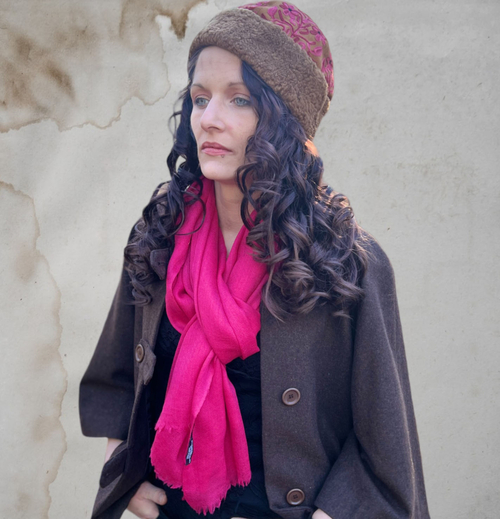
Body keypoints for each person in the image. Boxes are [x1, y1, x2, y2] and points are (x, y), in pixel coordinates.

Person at [79, 2, 430, 519]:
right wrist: (120, 471)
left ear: (286, 120)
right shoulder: (160, 235)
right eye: (200, 98)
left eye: (239, 99)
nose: (209, 119)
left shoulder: (346, 261)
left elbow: (385, 441)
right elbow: (115, 378)